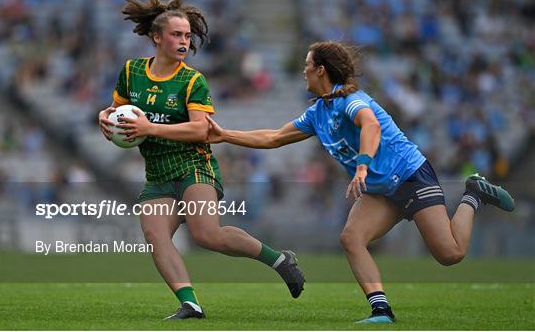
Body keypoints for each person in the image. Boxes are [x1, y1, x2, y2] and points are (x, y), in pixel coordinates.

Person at [206, 41, 515, 324]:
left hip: (410, 175)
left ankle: (472, 193)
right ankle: (381, 311)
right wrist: (225, 135)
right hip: (381, 189)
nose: (303, 71)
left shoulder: (352, 100)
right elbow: (273, 137)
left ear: (321, 71)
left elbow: (370, 125)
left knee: (451, 254)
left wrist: (363, 167)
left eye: (307, 65)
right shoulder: (318, 112)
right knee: (351, 238)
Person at [97, 0, 304, 320]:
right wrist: (105, 117)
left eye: (187, 35)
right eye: (176, 34)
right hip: (157, 171)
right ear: (156, 38)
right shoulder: (131, 71)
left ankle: (279, 260)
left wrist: (151, 129)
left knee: (207, 234)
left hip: (194, 165)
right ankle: (190, 304)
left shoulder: (193, 81)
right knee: (155, 234)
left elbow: (200, 130)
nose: (183, 41)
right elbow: (119, 110)